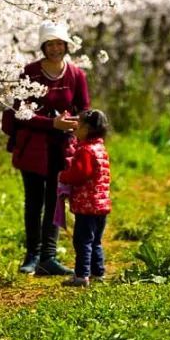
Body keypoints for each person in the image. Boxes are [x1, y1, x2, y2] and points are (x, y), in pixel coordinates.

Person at [6, 22, 89, 276]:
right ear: (43, 47)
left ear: (66, 46)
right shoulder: (30, 72)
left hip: (61, 146)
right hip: (32, 146)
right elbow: (20, 112)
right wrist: (50, 122)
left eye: (59, 44)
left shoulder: (76, 74)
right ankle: (32, 255)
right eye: (50, 44)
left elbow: (84, 108)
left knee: (56, 201)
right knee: (34, 201)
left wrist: (75, 125)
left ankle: (48, 257)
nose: (55, 49)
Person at [58, 109, 112, 287]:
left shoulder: (86, 151)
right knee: (95, 240)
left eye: (78, 125)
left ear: (87, 129)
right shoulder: (100, 148)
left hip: (87, 206)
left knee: (82, 241)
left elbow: (80, 173)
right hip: (101, 205)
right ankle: (98, 272)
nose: (75, 128)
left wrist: (64, 176)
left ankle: (81, 275)